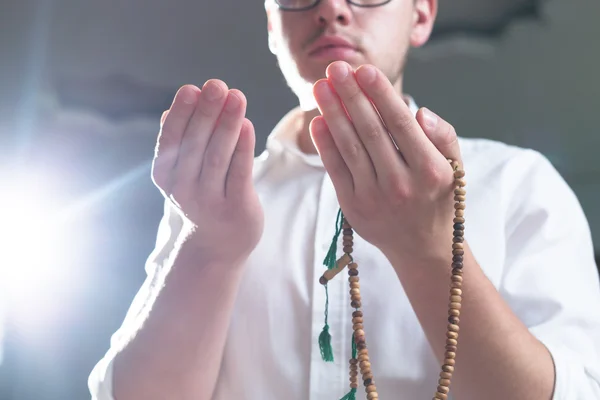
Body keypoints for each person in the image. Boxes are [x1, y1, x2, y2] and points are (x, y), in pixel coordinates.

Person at [88, 0, 600, 398]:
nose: (330, 7)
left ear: (421, 14)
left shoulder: (517, 182)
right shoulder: (208, 196)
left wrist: (430, 253)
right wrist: (209, 250)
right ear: (272, 27)